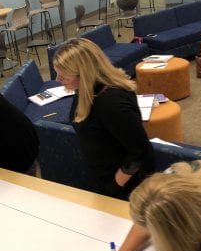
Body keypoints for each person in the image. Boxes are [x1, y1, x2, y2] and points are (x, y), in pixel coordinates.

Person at [53, 38, 154, 199]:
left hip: (125, 186)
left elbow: (140, 152)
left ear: (84, 74)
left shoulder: (111, 103)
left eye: (64, 77)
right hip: (103, 173)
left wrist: (115, 186)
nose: (57, 80)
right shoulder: (86, 89)